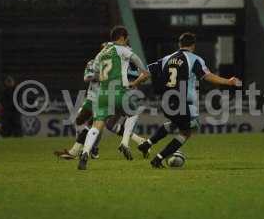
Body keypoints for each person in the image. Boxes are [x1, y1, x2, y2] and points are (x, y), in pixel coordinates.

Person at [138, 32, 241, 168]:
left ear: (179, 44)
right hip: (182, 101)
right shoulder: (194, 59)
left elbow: (147, 72)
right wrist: (228, 82)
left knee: (176, 123)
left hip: (166, 100)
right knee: (187, 131)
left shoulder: (167, 58)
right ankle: (158, 159)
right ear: (193, 45)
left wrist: (135, 83)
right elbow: (208, 76)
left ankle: (147, 144)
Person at [77, 26, 149, 170]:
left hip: (102, 94)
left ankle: (85, 152)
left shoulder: (100, 54)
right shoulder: (123, 50)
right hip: (119, 92)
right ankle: (124, 142)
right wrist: (139, 76)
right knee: (134, 112)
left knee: (97, 125)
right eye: (127, 37)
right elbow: (140, 65)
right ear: (122, 37)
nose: (127, 40)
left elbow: (96, 75)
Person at [54, 56, 148, 160]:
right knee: (105, 125)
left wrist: (132, 82)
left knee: (94, 124)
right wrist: (104, 75)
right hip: (94, 98)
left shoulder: (119, 64)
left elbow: (134, 75)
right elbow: (87, 77)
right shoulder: (95, 63)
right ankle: (140, 141)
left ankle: (77, 151)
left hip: (107, 97)